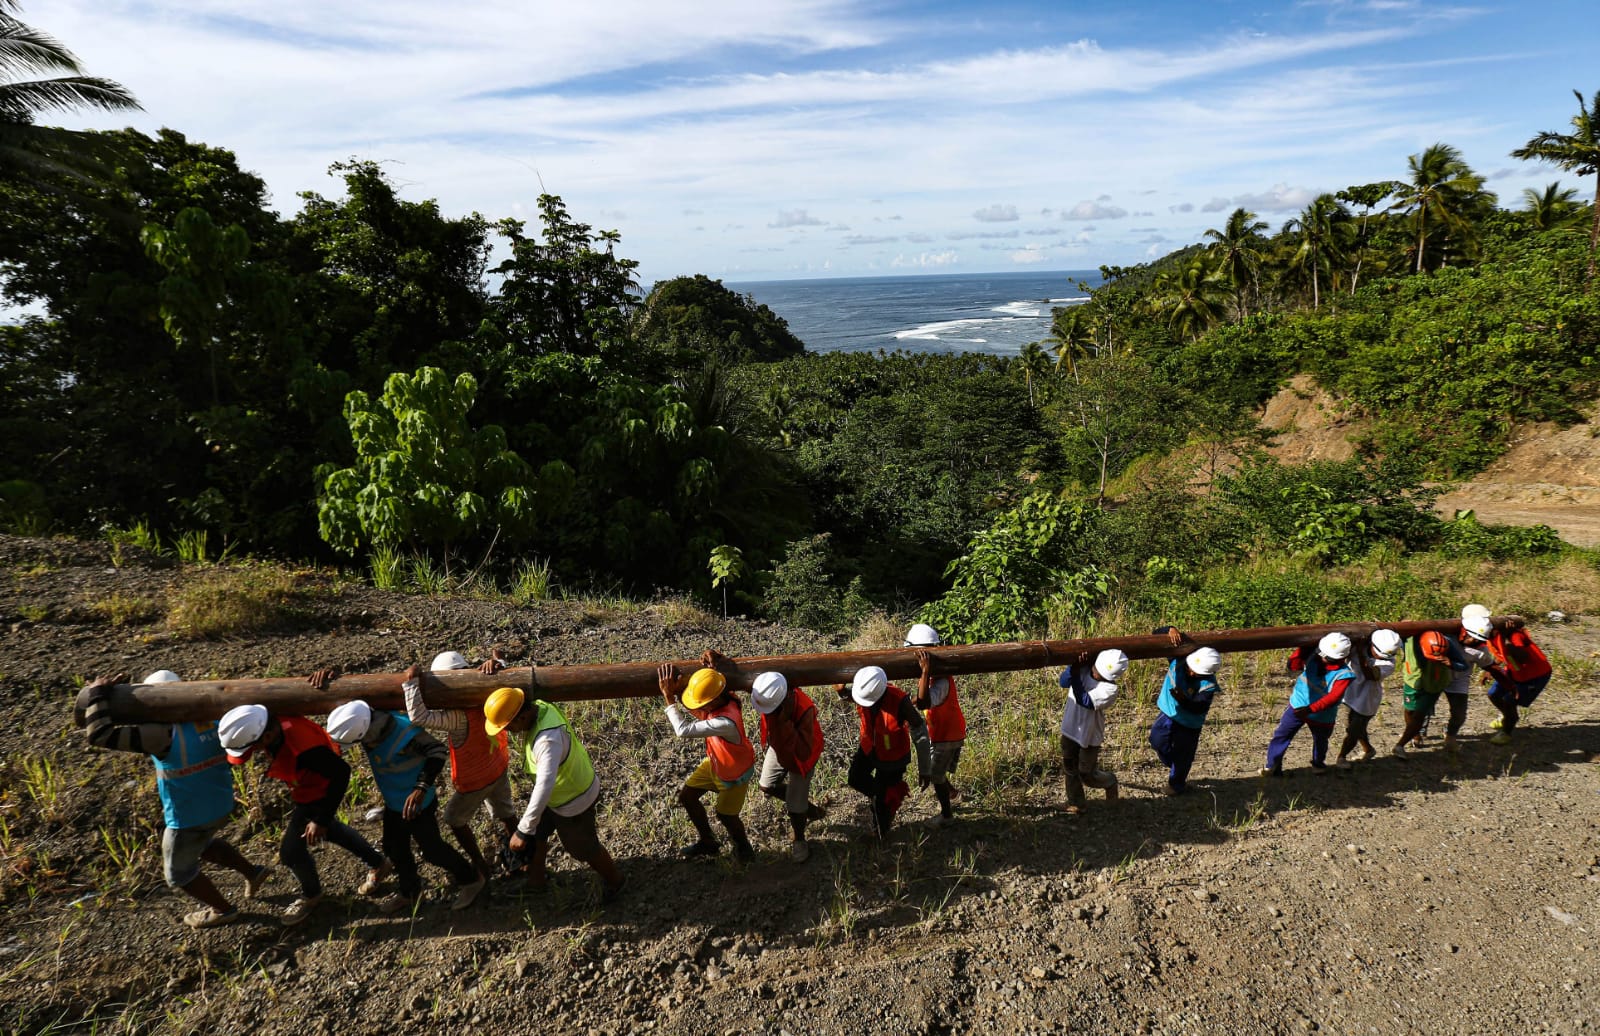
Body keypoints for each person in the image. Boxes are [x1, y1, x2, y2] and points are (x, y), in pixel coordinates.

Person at [82, 670, 271, 928]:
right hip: (220, 802)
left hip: (187, 816)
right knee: (203, 844)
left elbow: (99, 735)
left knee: (178, 873)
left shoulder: (163, 735)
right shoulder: (212, 719)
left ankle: (223, 910)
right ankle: (254, 873)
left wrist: (97, 695)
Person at [219, 702, 389, 926]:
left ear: (267, 736)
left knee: (290, 852)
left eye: (255, 747)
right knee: (332, 831)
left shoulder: (306, 751)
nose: (256, 753)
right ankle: (379, 863)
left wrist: (320, 818)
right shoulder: (272, 718)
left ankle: (311, 895)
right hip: (307, 789)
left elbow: (341, 773)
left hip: (318, 794)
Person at [324, 700, 485, 913]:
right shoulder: (367, 722)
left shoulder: (404, 732)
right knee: (394, 848)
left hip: (418, 804)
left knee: (433, 850)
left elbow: (437, 752)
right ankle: (410, 893)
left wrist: (420, 788)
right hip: (395, 802)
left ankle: (471, 878)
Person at [483, 686, 625, 900]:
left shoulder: (547, 741)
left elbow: (545, 784)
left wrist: (522, 830)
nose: (506, 731)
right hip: (560, 795)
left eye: (507, 726)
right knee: (539, 834)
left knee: (583, 849)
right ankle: (536, 881)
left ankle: (617, 882)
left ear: (520, 718)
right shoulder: (540, 706)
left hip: (573, 800)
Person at [404, 650, 520, 880]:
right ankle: (521, 856)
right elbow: (505, 683)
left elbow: (419, 717)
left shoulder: (456, 717)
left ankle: (479, 863)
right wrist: (497, 663)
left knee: (454, 819)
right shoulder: (487, 695)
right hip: (497, 767)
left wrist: (411, 683)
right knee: (506, 813)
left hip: (475, 780)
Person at [657, 651, 757, 861]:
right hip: (716, 763)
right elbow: (711, 684)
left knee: (726, 815)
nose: (698, 706)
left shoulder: (725, 723)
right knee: (687, 797)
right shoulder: (726, 696)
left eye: (700, 703)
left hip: (734, 774)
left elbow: (683, 730)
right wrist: (714, 661)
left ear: (711, 702)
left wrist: (669, 698)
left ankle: (745, 849)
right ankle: (708, 842)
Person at [836, 665, 932, 837]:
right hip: (869, 747)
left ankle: (881, 833)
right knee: (855, 778)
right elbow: (848, 694)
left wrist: (925, 768)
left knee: (880, 805)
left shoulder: (899, 701)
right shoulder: (863, 690)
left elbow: (921, 733)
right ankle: (885, 798)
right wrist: (841, 690)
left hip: (893, 758)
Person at [750, 671, 827, 862]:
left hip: (801, 755)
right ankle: (811, 810)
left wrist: (784, 723)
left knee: (795, 805)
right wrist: (720, 664)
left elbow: (803, 752)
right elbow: (741, 679)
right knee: (766, 785)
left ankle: (799, 839)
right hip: (779, 745)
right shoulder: (766, 691)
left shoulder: (804, 709)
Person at [1261, 633, 1356, 777]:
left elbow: (1333, 698)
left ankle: (1318, 764)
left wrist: (1310, 710)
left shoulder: (1344, 675)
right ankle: (1272, 766)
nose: (1322, 658)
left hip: (1321, 714)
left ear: (1340, 658)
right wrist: (1302, 648)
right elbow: (1293, 666)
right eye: (1321, 653)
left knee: (1320, 741)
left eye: (1327, 657)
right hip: (1298, 705)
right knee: (1281, 735)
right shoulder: (1314, 656)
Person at [1146, 631, 1221, 796]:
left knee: (1184, 754)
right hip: (1168, 713)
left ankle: (1176, 784)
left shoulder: (1207, 686)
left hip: (1189, 724)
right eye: (1191, 669)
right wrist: (1170, 630)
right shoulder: (1178, 659)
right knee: (1156, 739)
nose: (1192, 673)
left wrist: (1183, 700)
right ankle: (1174, 765)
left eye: (1197, 673)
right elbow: (1156, 633)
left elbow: (1199, 708)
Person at [906, 623, 965, 824]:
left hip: (947, 735)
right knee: (936, 770)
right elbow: (922, 698)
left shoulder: (941, 681)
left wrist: (924, 672)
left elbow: (925, 701)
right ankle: (953, 794)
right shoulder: (934, 678)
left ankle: (947, 816)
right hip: (943, 732)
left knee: (934, 774)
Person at [1464, 609, 1551, 745]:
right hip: (1514, 671)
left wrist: (1506, 638)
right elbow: (1501, 654)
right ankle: (1506, 715)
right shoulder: (1488, 637)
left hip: (1534, 675)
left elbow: (1523, 657)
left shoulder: (1513, 635)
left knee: (1509, 702)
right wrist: (1490, 670)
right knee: (1493, 694)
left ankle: (1507, 731)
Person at [1058, 649, 1128, 812]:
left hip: (1089, 737)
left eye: (1101, 675)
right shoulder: (1083, 669)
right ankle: (1076, 802)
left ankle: (1109, 781)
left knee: (1086, 773)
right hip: (1070, 729)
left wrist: (1075, 673)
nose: (1096, 675)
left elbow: (1085, 701)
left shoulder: (1110, 690)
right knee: (1070, 768)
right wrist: (1072, 667)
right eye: (1096, 670)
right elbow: (1063, 682)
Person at [1334, 629, 1402, 768]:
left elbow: (1370, 674)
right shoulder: (1360, 647)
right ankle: (1369, 750)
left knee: (1353, 731)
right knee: (1356, 728)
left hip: (1366, 701)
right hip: (1350, 694)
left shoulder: (1388, 663)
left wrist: (1359, 652)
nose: (1383, 657)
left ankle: (1342, 757)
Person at [1393, 630, 1460, 758]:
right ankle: (1414, 734)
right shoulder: (1408, 640)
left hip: (1434, 684)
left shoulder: (1447, 643)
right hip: (1412, 681)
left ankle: (1400, 745)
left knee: (1419, 715)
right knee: (1409, 710)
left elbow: (1461, 664)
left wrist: (1450, 663)